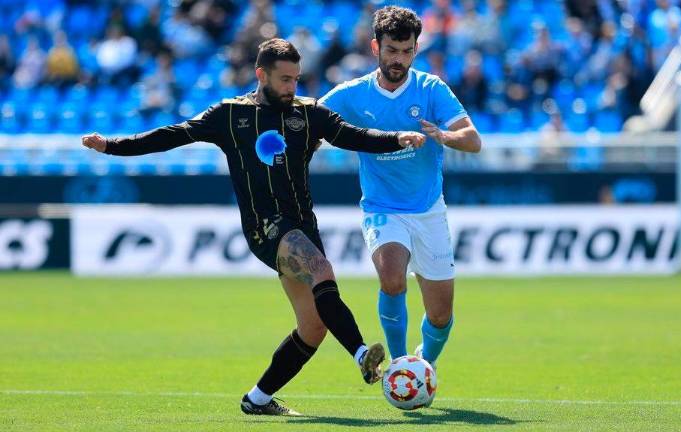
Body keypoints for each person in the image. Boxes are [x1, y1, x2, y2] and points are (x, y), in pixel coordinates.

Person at [81, 38, 425, 416]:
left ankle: (257, 399)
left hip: (303, 227)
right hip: (265, 228)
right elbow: (172, 136)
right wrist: (112, 145)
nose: (292, 87)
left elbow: (353, 135)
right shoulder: (230, 115)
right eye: (284, 79)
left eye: (296, 78)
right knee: (322, 271)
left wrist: (396, 138)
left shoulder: (308, 114)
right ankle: (362, 354)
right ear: (261, 74)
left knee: (313, 326)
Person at [318, 6, 481, 382]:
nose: (399, 59)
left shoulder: (431, 89)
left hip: (428, 210)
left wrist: (444, 136)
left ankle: (426, 360)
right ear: (375, 46)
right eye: (392, 50)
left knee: (440, 314)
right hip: (382, 207)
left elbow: (473, 140)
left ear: (416, 49)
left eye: (407, 51)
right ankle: (400, 365)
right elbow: (310, 123)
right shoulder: (351, 95)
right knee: (392, 278)